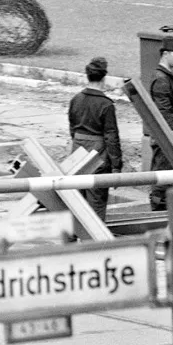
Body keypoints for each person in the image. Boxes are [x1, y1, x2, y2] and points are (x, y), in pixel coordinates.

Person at [68, 57, 123, 222]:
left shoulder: (76, 99)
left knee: (77, 200)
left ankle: (75, 234)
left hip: (77, 151)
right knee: (97, 201)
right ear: (104, 78)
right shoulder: (106, 105)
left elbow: (72, 128)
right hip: (98, 154)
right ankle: (96, 235)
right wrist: (116, 166)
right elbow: (111, 137)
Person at [148, 36, 173, 211]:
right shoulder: (161, 79)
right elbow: (163, 110)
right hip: (170, 131)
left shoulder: (167, 77)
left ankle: (169, 213)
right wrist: (172, 132)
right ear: (165, 54)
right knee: (165, 175)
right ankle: (160, 213)